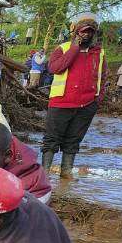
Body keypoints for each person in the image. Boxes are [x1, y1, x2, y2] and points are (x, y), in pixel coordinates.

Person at [43, 12, 104, 179]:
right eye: (83, 31)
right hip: (61, 102)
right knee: (51, 140)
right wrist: (74, 49)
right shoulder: (62, 48)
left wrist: (97, 99)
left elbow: (102, 76)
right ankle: (44, 174)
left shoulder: (99, 53)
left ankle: (66, 172)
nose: (86, 34)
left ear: (94, 33)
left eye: (90, 31)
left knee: (73, 140)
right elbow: (55, 68)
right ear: (76, 32)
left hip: (86, 105)